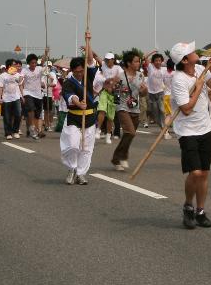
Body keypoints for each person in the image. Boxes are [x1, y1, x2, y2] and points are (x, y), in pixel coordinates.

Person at [170, 41, 211, 229]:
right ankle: (188, 206)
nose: (195, 52)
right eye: (191, 52)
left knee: (204, 174)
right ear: (185, 60)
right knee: (195, 172)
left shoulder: (202, 68)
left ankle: (200, 211)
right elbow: (185, 108)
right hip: (187, 131)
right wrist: (200, 85)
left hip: (205, 128)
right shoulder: (178, 79)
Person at [60, 43, 101, 185]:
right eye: (77, 71)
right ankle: (72, 168)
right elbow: (70, 97)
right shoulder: (68, 83)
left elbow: (90, 60)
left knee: (86, 148)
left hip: (89, 117)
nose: (79, 73)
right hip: (74, 117)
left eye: (81, 71)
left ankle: (81, 173)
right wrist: (78, 103)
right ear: (72, 70)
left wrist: (89, 43)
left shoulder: (88, 76)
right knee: (72, 145)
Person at [110, 51, 146, 170]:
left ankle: (118, 158)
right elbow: (113, 91)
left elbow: (144, 94)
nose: (138, 63)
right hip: (122, 107)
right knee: (130, 132)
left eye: (138, 61)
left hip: (135, 108)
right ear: (129, 63)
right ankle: (122, 157)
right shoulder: (120, 76)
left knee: (129, 135)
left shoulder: (140, 75)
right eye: (136, 61)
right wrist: (118, 93)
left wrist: (143, 90)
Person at [20, 53, 46, 140]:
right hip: (28, 92)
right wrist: (19, 80)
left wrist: (45, 53)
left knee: (37, 115)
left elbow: (43, 62)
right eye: (32, 63)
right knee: (31, 108)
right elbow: (21, 77)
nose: (34, 65)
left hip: (38, 94)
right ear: (28, 63)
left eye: (35, 63)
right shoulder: (25, 70)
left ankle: (33, 129)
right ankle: (31, 127)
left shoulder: (39, 69)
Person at [0, 60, 24, 140]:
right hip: (6, 98)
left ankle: (15, 131)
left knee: (18, 114)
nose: (16, 66)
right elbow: (0, 87)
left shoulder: (17, 75)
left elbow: (20, 85)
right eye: (14, 65)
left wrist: (22, 96)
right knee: (7, 117)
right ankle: (8, 133)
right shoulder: (3, 76)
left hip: (16, 97)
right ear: (9, 66)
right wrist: (0, 97)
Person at [145, 53, 168, 131]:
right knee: (155, 113)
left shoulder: (164, 70)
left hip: (160, 92)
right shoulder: (151, 67)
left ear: (162, 61)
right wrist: (153, 51)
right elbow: (145, 56)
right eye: (156, 61)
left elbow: (165, 81)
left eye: (159, 60)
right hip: (151, 93)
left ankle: (165, 128)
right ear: (153, 62)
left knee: (162, 110)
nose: (158, 62)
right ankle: (162, 127)